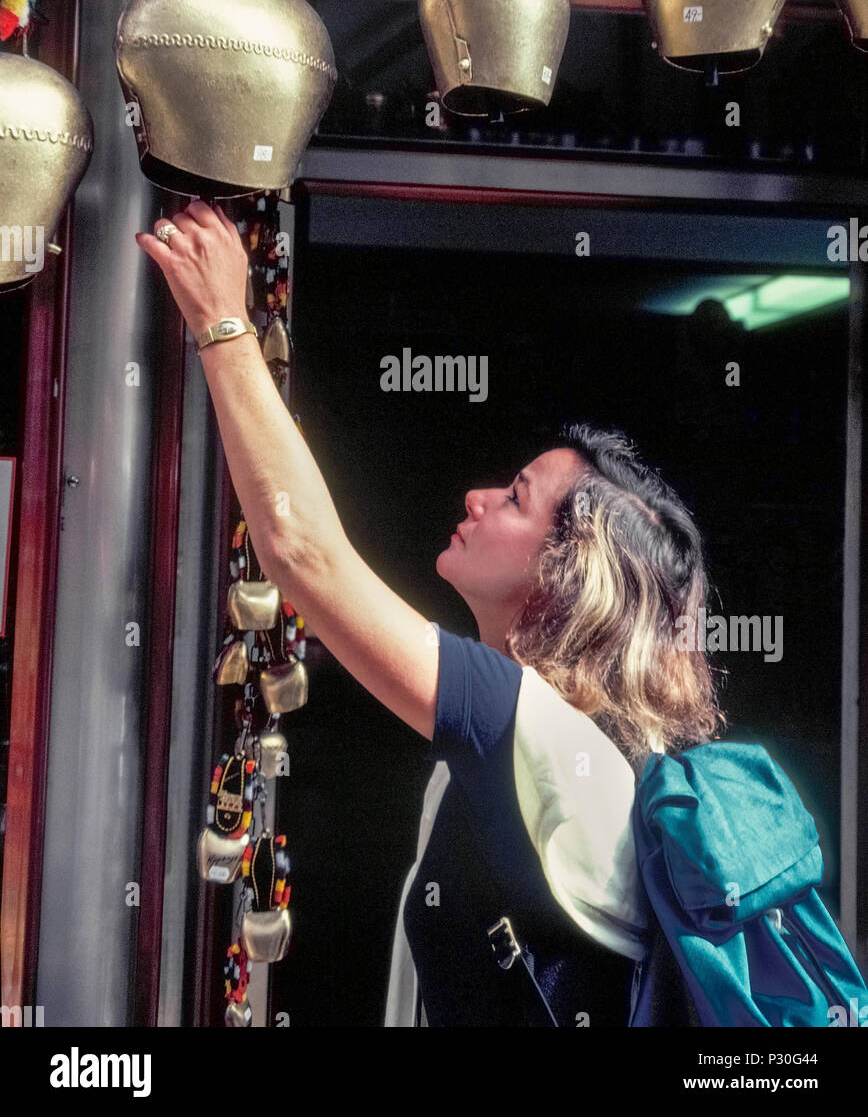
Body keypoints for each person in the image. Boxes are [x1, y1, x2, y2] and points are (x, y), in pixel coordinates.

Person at [136, 200, 724, 1027]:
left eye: (515, 498)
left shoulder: (538, 733)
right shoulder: (539, 745)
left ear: (569, 576)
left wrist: (224, 322)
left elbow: (302, 554)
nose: (477, 498)